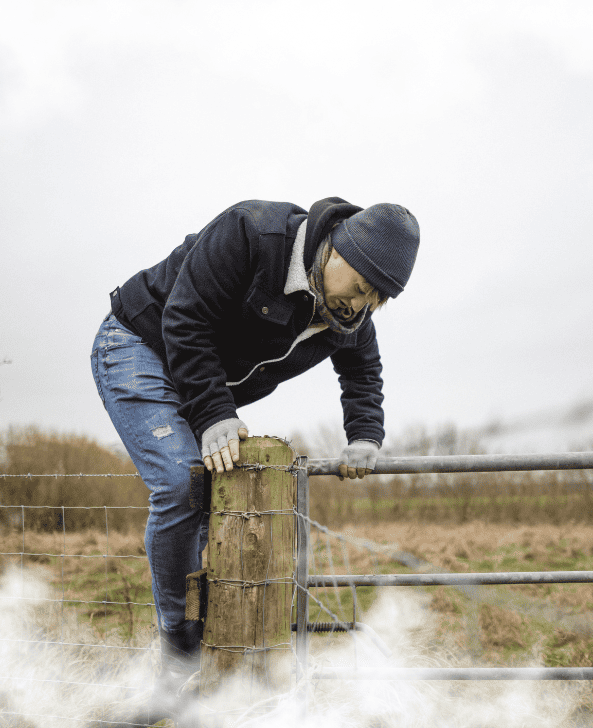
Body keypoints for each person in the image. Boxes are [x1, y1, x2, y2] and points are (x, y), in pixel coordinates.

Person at [90, 197, 419, 711]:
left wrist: (365, 436)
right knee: (183, 482)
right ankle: (178, 643)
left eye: (377, 299)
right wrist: (215, 414)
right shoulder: (252, 234)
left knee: (216, 495)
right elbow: (185, 317)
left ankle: (209, 652)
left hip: (198, 378)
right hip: (140, 342)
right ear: (333, 249)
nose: (360, 305)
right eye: (358, 288)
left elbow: (361, 372)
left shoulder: (344, 318)